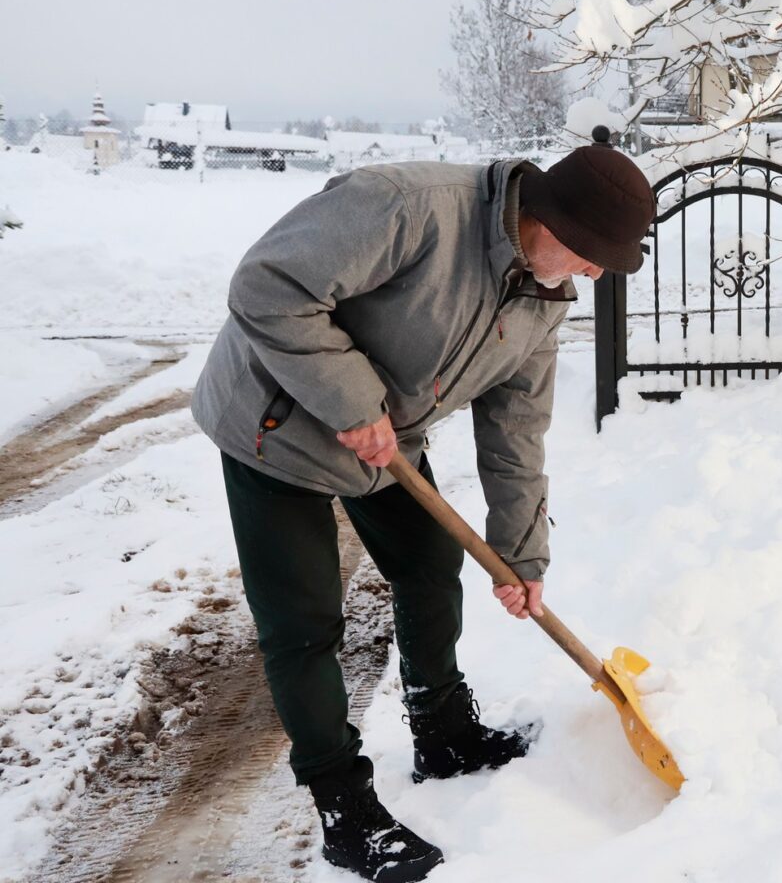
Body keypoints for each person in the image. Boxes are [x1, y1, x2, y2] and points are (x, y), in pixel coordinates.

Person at [191, 138, 655, 882]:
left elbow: (514, 437)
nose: (596, 273)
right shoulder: (409, 208)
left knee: (433, 567)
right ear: (549, 220)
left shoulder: (542, 299)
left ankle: (442, 732)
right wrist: (348, 400)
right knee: (305, 623)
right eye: (592, 252)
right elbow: (266, 286)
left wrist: (521, 558)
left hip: (385, 440)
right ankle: (343, 808)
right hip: (271, 422)